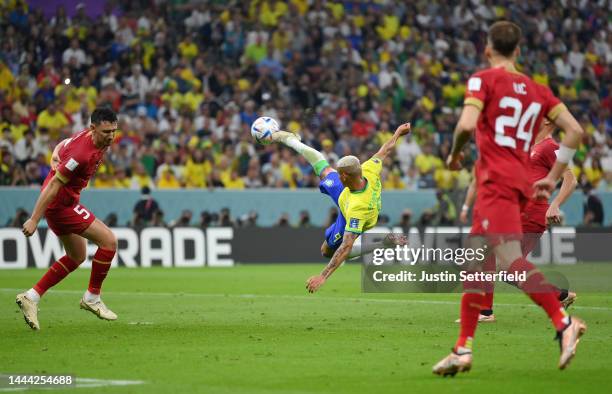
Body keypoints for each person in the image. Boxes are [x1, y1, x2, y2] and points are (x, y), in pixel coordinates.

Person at [434, 21, 586, 376]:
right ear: (518, 51)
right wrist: (550, 179)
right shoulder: (538, 91)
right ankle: (461, 349)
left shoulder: (483, 79)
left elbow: (467, 126)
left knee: (508, 261)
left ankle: (564, 322)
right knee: (477, 262)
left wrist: (455, 155)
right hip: (518, 184)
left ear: (488, 50)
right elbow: (576, 131)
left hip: (496, 182)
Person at [457, 120, 578, 323]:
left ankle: (485, 311)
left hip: (532, 214)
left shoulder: (551, 147)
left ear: (547, 121)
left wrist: (555, 204)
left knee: (498, 261)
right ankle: (557, 296)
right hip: (517, 213)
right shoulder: (528, 146)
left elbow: (571, 180)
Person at [271, 123, 411, 293]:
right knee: (322, 167)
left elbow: (346, 247)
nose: (336, 175)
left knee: (327, 251)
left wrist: (322, 276)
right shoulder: (368, 169)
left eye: (338, 173)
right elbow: (385, 150)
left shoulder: (357, 210)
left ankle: (384, 243)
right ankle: (291, 140)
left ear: (344, 176)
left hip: (354, 209)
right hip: (348, 192)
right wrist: (398, 132)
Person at [16, 107, 120, 330]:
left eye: (113, 131)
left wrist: (54, 154)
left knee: (76, 256)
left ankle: (31, 297)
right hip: (61, 205)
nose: (110, 136)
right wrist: (35, 219)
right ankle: (92, 298)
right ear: (93, 129)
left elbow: (63, 144)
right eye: (106, 132)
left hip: (64, 202)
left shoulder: (89, 137)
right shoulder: (81, 154)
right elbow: (54, 185)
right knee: (109, 242)